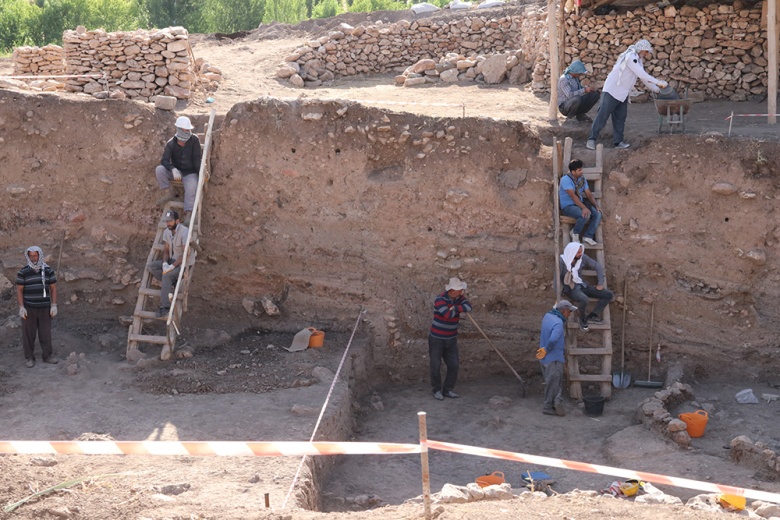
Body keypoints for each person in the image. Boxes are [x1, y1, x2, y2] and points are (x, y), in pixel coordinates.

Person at [587, 39, 668, 150]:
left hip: (623, 93)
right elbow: (642, 75)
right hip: (612, 91)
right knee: (602, 116)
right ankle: (591, 139)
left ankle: (618, 142)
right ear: (642, 50)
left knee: (620, 118)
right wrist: (658, 82)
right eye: (646, 52)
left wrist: (656, 89)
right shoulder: (630, 57)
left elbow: (643, 78)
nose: (647, 54)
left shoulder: (638, 60)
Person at [429, 277, 472, 401]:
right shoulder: (440, 299)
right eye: (459, 290)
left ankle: (447, 389)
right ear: (452, 290)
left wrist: (456, 308)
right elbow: (447, 315)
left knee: (454, 365)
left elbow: (469, 307)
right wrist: (458, 310)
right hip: (437, 338)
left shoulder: (459, 299)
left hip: (451, 339)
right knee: (435, 365)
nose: (461, 292)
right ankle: (436, 390)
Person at [147, 210, 196, 318]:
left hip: (183, 264)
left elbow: (185, 254)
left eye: (170, 221)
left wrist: (172, 266)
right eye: (167, 221)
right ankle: (171, 284)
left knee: (167, 275)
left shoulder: (184, 232)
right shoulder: (167, 232)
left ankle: (165, 307)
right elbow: (166, 250)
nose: (168, 223)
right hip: (172, 260)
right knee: (151, 267)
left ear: (177, 221)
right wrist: (165, 263)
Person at [16, 246, 58, 368]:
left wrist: (54, 305)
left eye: (35, 255)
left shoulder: (48, 270)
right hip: (29, 307)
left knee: (45, 333)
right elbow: (19, 290)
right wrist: (21, 307)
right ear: (28, 256)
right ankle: (29, 358)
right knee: (28, 334)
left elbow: (53, 288)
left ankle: (47, 356)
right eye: (31, 256)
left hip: (45, 307)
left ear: (40, 255)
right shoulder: (23, 272)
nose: (34, 258)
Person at [155, 116, 201, 226]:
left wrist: (200, 175)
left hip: (190, 172)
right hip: (177, 172)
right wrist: (173, 169)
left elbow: (196, 160)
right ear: (179, 129)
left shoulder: (194, 140)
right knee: (159, 170)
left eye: (189, 130)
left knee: (191, 187)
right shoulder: (171, 143)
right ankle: (169, 193)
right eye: (186, 130)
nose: (188, 132)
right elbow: (164, 160)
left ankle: (188, 214)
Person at [559, 241, 613, 332]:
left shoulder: (582, 258)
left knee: (608, 294)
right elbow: (557, 278)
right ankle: (582, 318)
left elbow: (597, 266)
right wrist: (559, 294)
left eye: (581, 251)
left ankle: (593, 315)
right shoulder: (562, 261)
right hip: (571, 288)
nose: (580, 254)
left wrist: (600, 283)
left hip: (582, 285)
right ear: (572, 252)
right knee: (584, 299)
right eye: (578, 252)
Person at [537, 300, 577, 416]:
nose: (569, 314)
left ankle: (556, 401)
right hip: (553, 358)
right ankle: (548, 407)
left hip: (544, 358)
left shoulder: (548, 316)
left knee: (551, 381)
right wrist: (547, 349)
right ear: (564, 311)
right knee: (554, 383)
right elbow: (554, 339)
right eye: (569, 312)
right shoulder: (559, 323)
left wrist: (544, 350)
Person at [560, 159, 602, 246]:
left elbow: (589, 194)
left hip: (580, 203)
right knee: (585, 214)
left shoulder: (582, 179)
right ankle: (575, 233)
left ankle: (588, 236)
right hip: (568, 206)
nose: (582, 172)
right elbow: (573, 196)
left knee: (598, 213)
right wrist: (584, 208)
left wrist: (596, 205)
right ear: (573, 171)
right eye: (579, 170)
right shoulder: (565, 179)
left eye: (581, 169)